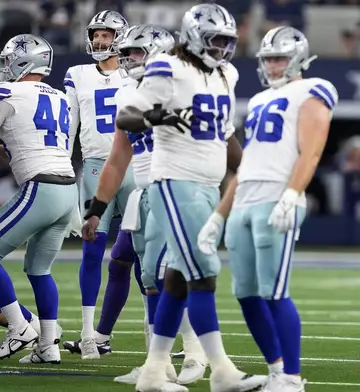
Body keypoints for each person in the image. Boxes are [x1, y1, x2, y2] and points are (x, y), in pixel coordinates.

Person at [113, 4, 266, 391]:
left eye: (229, 42)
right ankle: (221, 370)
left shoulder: (226, 74)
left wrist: (251, 173)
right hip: (174, 182)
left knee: (179, 280)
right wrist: (159, 116)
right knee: (204, 274)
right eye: (217, 40)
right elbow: (127, 117)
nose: (223, 50)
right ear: (196, 36)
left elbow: (225, 133)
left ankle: (152, 373)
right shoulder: (169, 67)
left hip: (207, 186)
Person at [198, 26, 337, 392]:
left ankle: (292, 377)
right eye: (268, 59)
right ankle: (276, 370)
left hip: (277, 198)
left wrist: (292, 195)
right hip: (243, 201)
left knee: (275, 291)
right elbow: (246, 166)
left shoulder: (313, 89)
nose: (273, 65)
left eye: (279, 58)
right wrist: (219, 214)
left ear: (297, 58)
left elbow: (312, 151)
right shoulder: (259, 100)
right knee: (245, 293)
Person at [81, 23, 208, 386]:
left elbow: (211, 141)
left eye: (137, 52)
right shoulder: (127, 92)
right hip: (145, 192)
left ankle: (194, 352)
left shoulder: (184, 86)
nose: (128, 59)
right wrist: (96, 209)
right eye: (127, 53)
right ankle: (161, 364)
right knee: (151, 277)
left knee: (173, 275)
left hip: (179, 189)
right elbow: (118, 157)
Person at [62, 10, 142, 361]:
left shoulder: (136, 72)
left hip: (136, 165)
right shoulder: (77, 74)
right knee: (92, 251)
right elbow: (70, 127)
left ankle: (157, 335)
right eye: (96, 34)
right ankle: (88, 334)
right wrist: (64, 169)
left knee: (142, 253)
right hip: (96, 166)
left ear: (120, 37)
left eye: (107, 35)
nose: (99, 40)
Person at [0, 34, 78, 364]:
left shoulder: (9, 91)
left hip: (40, 188)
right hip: (67, 189)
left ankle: (19, 326)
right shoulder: (60, 96)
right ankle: (48, 345)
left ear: (23, 61)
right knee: (39, 269)